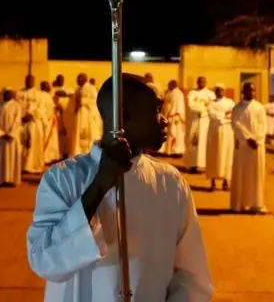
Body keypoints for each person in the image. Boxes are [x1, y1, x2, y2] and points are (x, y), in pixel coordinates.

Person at [27, 73, 213, 301]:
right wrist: (99, 186)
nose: (165, 119)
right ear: (122, 117)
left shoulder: (170, 182)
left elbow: (192, 276)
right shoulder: (62, 179)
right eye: (156, 110)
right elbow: (45, 262)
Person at [230, 82, 267, 214]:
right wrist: (248, 138)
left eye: (253, 90)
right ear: (243, 92)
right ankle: (239, 204)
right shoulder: (237, 108)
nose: (251, 93)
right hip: (243, 145)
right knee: (241, 174)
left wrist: (256, 139)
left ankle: (256, 204)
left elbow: (263, 126)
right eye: (248, 90)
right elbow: (235, 125)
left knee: (257, 175)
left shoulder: (260, 108)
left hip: (257, 146)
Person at [65, 73, 102, 157]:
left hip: (88, 117)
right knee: (77, 137)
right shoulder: (77, 90)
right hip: (79, 116)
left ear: (85, 79)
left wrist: (83, 101)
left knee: (90, 136)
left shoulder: (91, 89)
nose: (77, 81)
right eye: (77, 79)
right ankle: (77, 154)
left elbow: (95, 102)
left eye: (79, 79)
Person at [206, 84, 235, 191]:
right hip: (214, 131)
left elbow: (233, 114)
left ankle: (226, 181)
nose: (220, 92)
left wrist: (221, 116)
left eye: (222, 90)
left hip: (227, 131)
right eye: (217, 90)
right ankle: (212, 182)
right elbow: (211, 115)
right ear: (215, 91)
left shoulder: (230, 102)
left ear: (224, 91)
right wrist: (224, 114)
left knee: (227, 155)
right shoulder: (210, 103)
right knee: (214, 155)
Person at [183, 76, 216, 173]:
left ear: (206, 82)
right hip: (195, 121)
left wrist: (204, 111)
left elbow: (211, 106)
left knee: (204, 143)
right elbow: (190, 105)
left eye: (203, 81)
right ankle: (192, 165)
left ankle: (203, 164)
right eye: (199, 81)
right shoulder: (192, 93)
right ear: (197, 82)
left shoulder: (211, 94)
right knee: (194, 142)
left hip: (206, 122)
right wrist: (202, 109)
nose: (201, 83)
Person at [0, 87, 23, 187]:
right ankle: (1, 179)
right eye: (6, 93)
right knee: (1, 158)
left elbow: (18, 121)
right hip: (1, 138)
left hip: (12, 138)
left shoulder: (17, 106)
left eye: (10, 93)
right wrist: (1, 133)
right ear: (3, 94)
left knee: (12, 158)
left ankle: (11, 180)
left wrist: (11, 134)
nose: (8, 95)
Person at [17, 75, 46, 174]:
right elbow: (16, 107)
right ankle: (22, 166)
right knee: (23, 143)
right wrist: (22, 116)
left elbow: (42, 108)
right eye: (27, 80)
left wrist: (32, 115)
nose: (29, 82)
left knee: (34, 143)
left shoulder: (39, 94)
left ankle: (34, 166)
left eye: (31, 80)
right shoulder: (19, 93)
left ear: (34, 81)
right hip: (22, 122)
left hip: (34, 122)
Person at [162, 79, 186, 156]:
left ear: (173, 85)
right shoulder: (170, 93)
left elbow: (178, 107)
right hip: (171, 116)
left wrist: (176, 115)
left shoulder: (178, 93)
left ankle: (175, 151)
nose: (168, 86)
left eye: (169, 85)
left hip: (175, 117)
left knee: (175, 134)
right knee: (171, 134)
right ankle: (170, 151)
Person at [40, 81, 61, 164]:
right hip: (47, 121)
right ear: (44, 87)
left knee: (53, 140)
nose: (49, 87)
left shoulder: (49, 96)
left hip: (52, 120)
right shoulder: (41, 96)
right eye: (47, 85)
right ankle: (46, 158)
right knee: (47, 139)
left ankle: (52, 157)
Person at [52, 74, 72, 159]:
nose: (60, 81)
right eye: (59, 79)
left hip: (66, 115)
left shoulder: (68, 90)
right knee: (57, 135)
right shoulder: (53, 90)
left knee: (66, 134)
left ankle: (66, 152)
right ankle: (58, 154)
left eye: (62, 79)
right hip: (56, 115)